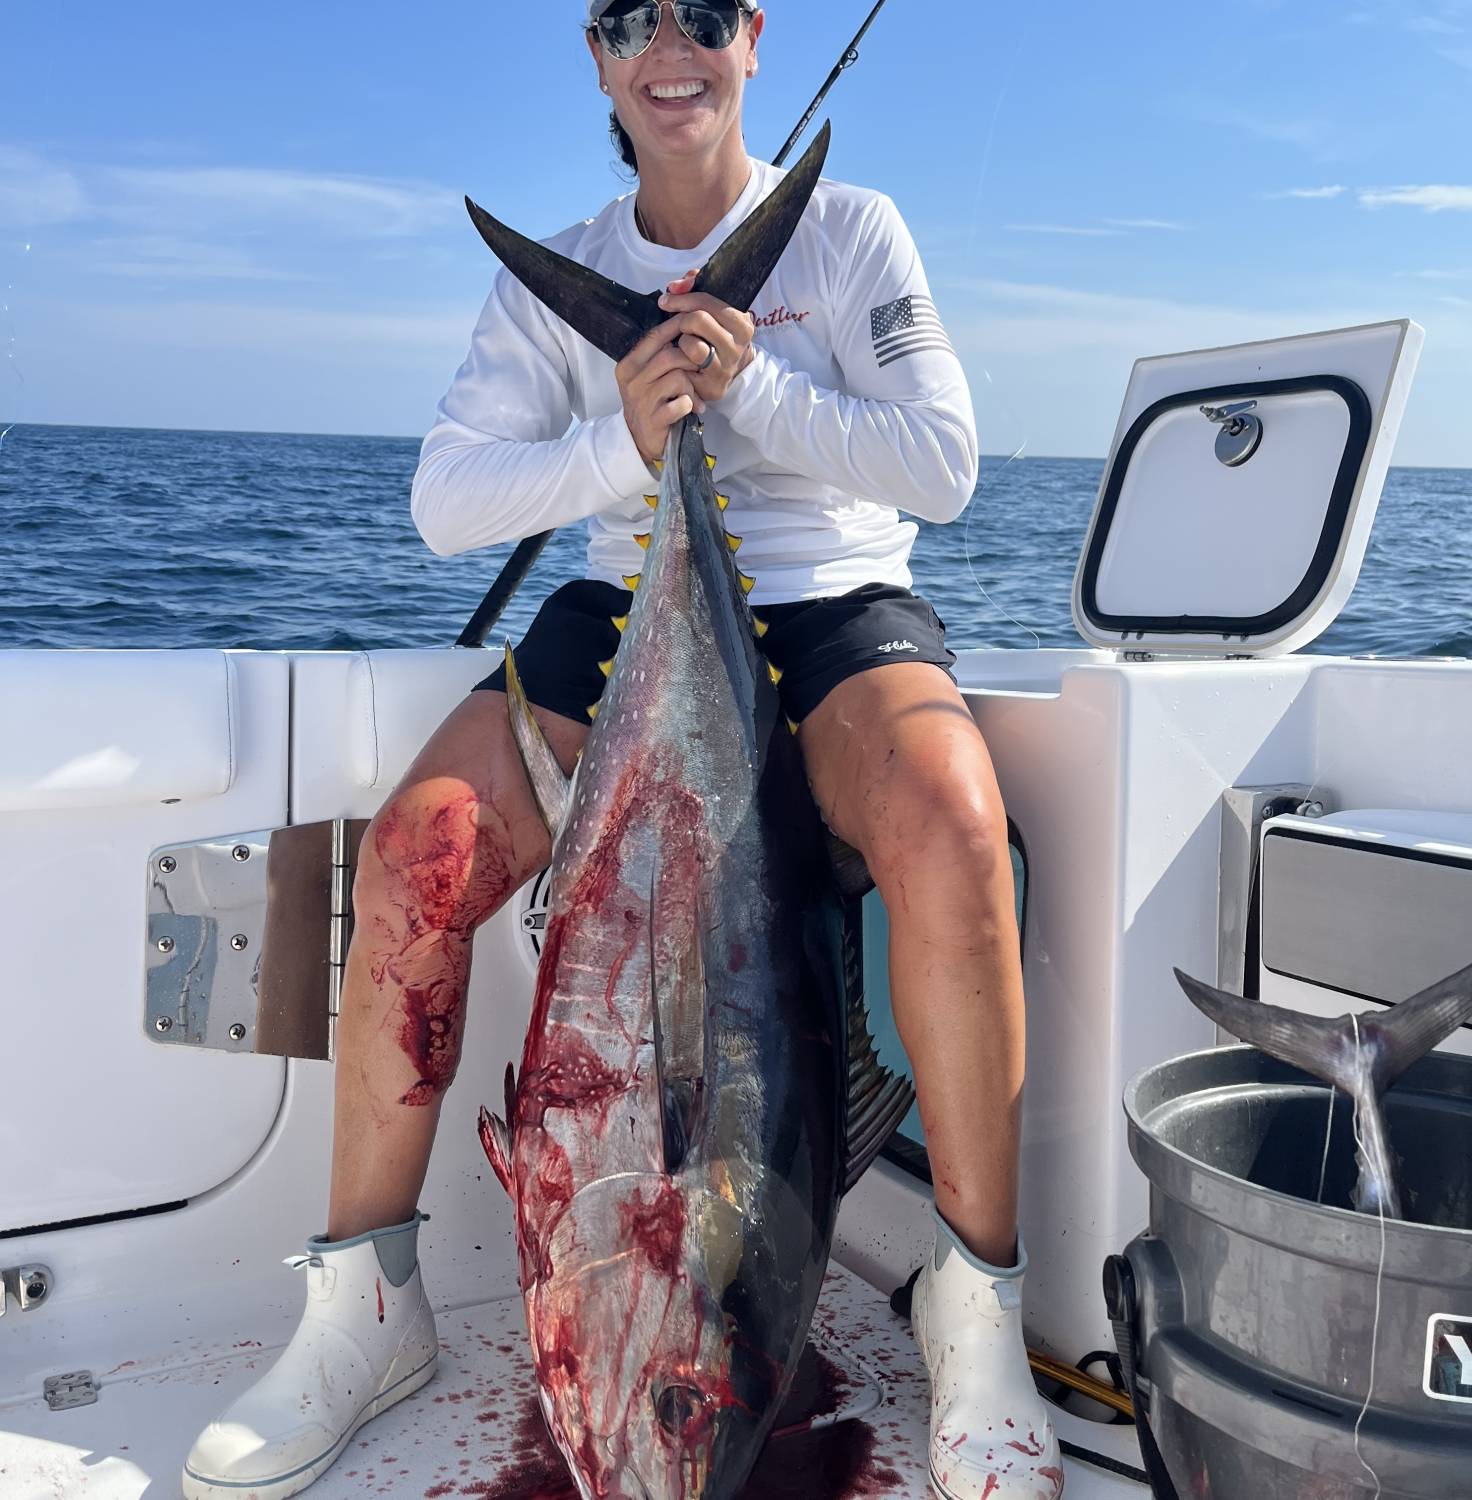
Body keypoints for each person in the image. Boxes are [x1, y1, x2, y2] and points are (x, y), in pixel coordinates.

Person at [182, 4, 1060, 1498]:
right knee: (417, 861)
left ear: (754, 40)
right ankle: (367, 1307)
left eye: (703, 15)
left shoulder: (848, 231)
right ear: (595, 55)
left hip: (836, 600)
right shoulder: (564, 274)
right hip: (632, 590)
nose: (673, 44)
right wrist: (628, 443)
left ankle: (977, 1319)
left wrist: (751, 384)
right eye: (631, 18)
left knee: (956, 832)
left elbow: (947, 465)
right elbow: (445, 501)